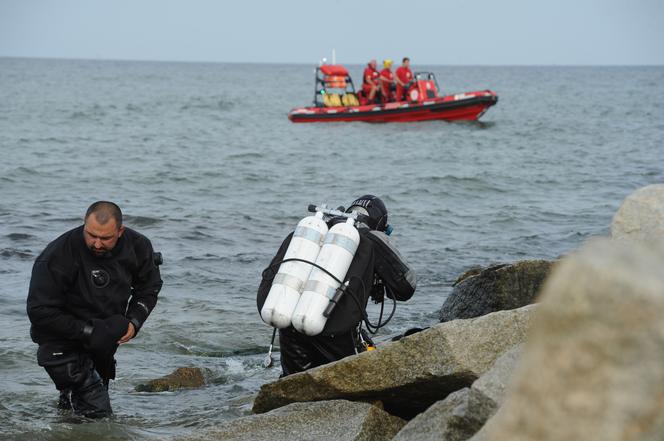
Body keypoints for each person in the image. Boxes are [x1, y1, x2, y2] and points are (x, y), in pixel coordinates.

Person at [27, 201, 163, 418]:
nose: (97, 243)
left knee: (74, 409)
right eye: (91, 235)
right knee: (97, 412)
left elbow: (149, 287)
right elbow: (39, 310)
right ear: (84, 225)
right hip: (60, 341)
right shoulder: (57, 254)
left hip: (102, 341)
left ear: (120, 231)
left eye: (105, 238)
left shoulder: (138, 246)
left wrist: (134, 321)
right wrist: (88, 331)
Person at [257, 195, 416, 376]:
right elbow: (405, 288)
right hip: (335, 332)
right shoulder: (372, 239)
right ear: (380, 223)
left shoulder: (310, 232)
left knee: (292, 384)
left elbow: (272, 274)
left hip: (288, 324)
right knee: (345, 386)